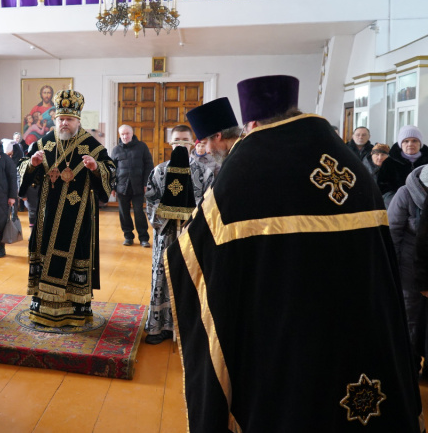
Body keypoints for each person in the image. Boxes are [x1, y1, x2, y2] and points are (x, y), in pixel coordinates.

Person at [164, 75, 421, 431]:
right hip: (358, 326)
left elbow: (192, 248)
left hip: (281, 327)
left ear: (251, 123)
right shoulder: (346, 161)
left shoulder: (245, 166)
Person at [18, 90, 115, 327]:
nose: (64, 123)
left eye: (69, 119)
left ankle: (76, 310)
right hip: (46, 215)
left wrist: (95, 168)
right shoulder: (43, 143)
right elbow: (22, 169)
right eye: (60, 118)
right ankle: (43, 307)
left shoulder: (92, 146)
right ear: (55, 119)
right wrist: (32, 164)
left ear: (78, 121)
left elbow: (110, 169)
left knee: (75, 256)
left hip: (78, 218)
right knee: (44, 253)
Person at [143, 124, 213, 344]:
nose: (180, 144)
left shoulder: (205, 173)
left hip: (192, 236)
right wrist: (166, 217)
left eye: (185, 140)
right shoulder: (159, 171)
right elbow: (151, 201)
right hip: (165, 236)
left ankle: (188, 329)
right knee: (162, 277)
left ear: (193, 143)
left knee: (191, 277)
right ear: (170, 144)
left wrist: (192, 221)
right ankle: (160, 327)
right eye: (176, 141)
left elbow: (210, 203)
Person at [388, 164, 428, 381]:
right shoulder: (406, 194)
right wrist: (391, 273)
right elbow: (391, 234)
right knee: (410, 319)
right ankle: (408, 369)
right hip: (408, 271)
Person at [110, 124, 153, 247]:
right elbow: (112, 169)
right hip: (122, 187)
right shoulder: (116, 150)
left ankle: (144, 238)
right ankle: (128, 236)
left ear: (132, 133)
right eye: (122, 134)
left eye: (127, 133)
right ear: (120, 135)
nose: (125, 136)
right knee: (124, 213)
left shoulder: (142, 147)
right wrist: (112, 187)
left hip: (138, 186)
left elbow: (149, 166)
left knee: (139, 212)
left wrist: (146, 184)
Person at [378, 125, 428, 207]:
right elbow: (383, 189)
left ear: (420, 143)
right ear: (400, 144)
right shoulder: (389, 163)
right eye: (406, 141)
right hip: (397, 205)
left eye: (414, 141)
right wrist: (398, 201)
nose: (410, 144)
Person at [185, 96, 242, 168]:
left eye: (205, 143)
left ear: (217, 136)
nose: (207, 151)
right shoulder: (239, 152)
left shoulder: (239, 160)